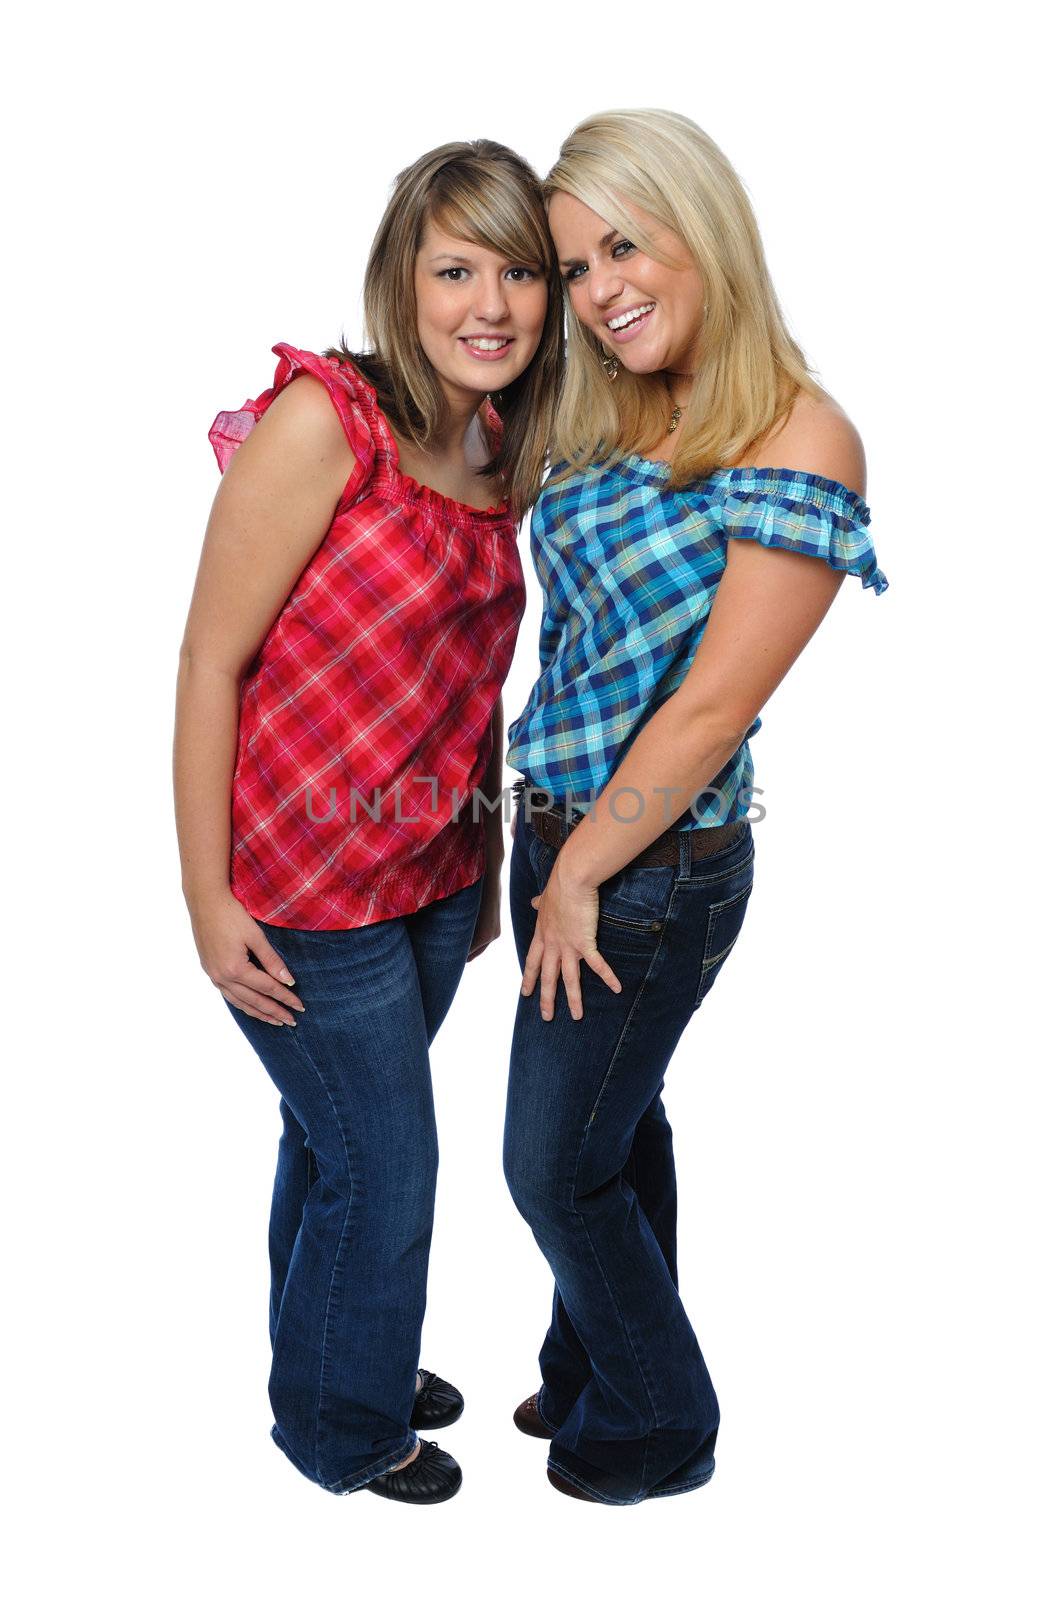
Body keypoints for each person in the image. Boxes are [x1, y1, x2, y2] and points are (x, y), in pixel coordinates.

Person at [502, 108, 889, 1506]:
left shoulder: (801, 436)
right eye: (575, 265)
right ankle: (596, 1356)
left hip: (645, 867)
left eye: (624, 244)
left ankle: (661, 1423)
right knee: (619, 1123)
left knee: (549, 1169)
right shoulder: (617, 407)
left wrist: (579, 874)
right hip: (555, 832)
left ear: (699, 227)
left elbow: (713, 706)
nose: (600, 290)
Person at [173, 139, 562, 1504]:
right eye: (456, 268)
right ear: (402, 278)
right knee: (387, 1177)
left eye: (520, 270)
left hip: (432, 878)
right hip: (301, 892)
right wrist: (209, 900)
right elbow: (211, 661)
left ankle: (341, 1351)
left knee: (332, 1145)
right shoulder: (325, 421)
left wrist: (488, 851)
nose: (491, 304)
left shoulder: (498, 440)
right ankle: (343, 1429)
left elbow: (467, 682)